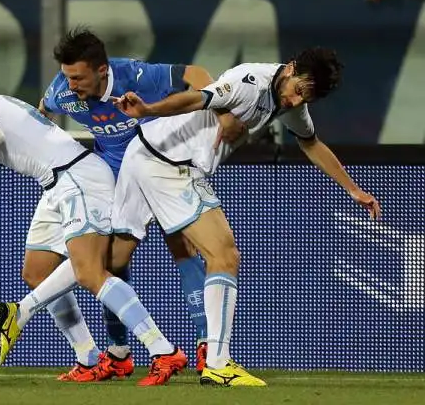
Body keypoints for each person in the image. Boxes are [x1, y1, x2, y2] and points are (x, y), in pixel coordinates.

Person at [107, 47, 382, 386]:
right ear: (291, 68)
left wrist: (353, 189)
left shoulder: (290, 100)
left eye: (305, 98)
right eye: (298, 91)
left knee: (108, 263)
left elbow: (311, 143)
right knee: (224, 254)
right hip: (170, 165)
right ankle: (218, 363)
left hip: (143, 151)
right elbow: (196, 99)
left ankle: (36, 304)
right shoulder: (248, 80)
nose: (296, 103)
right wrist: (148, 109)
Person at [0, 83, 187, 386]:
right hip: (56, 184)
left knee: (90, 272)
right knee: (37, 272)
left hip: (78, 176)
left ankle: (163, 350)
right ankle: (88, 357)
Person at [18, 27, 214, 381]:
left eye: (77, 76)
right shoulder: (63, 92)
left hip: (157, 165)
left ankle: (207, 346)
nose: (70, 84)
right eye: (66, 75)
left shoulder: (135, 76)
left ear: (102, 70)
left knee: (182, 245)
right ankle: (119, 353)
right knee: (108, 263)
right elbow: (40, 115)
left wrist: (208, 107)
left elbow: (194, 74)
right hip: (111, 177)